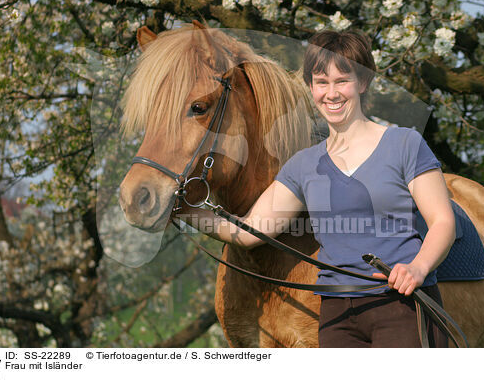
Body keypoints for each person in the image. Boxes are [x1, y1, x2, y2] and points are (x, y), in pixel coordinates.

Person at [176, 29, 455, 348]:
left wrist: (418, 267)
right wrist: (187, 211)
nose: (331, 93)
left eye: (342, 81)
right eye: (321, 82)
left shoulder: (405, 143)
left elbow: (443, 222)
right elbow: (252, 230)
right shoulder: (303, 164)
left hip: (400, 303)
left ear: (363, 83)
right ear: (311, 87)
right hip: (336, 316)